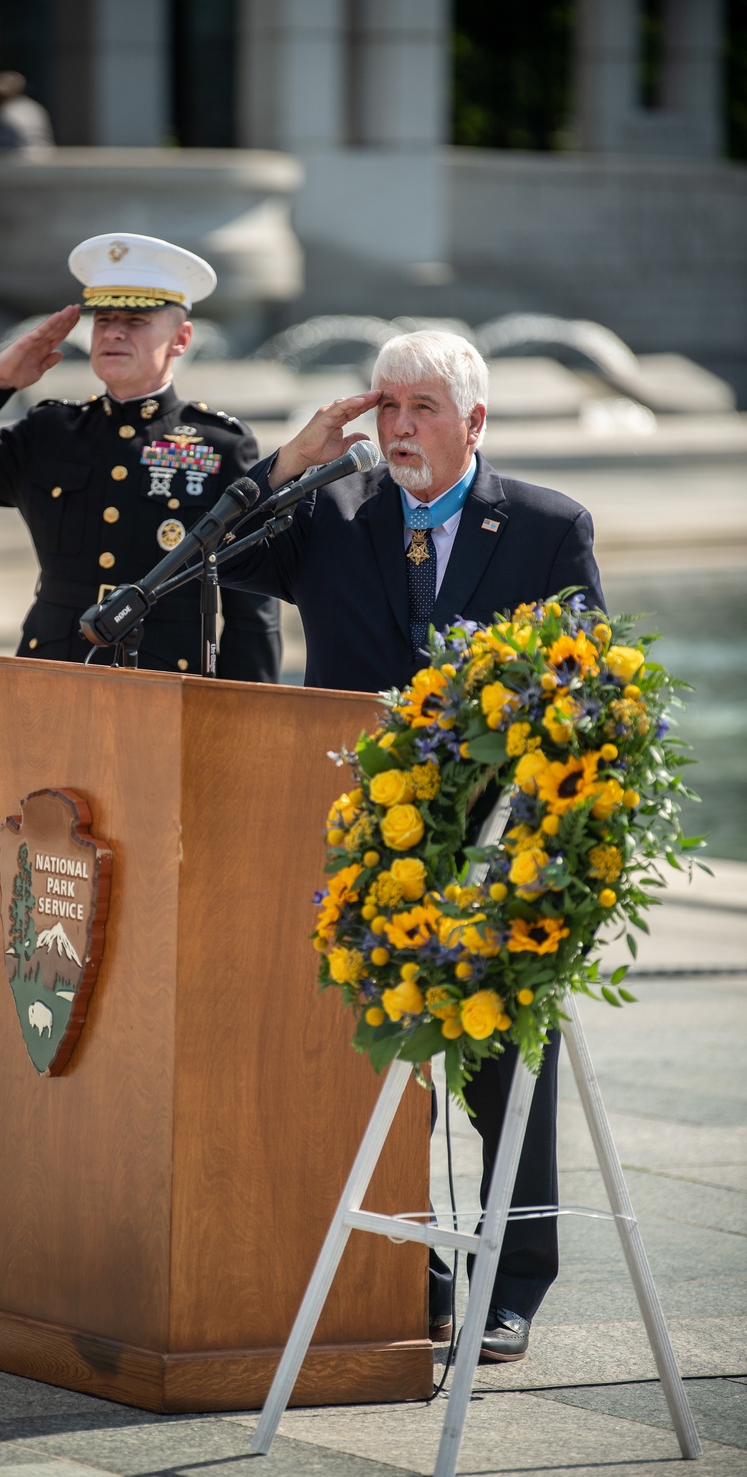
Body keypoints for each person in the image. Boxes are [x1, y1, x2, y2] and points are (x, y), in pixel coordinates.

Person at [222, 328, 605, 1362]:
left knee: (501, 1069)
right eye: (384, 405)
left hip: (493, 856)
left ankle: (512, 1280)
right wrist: (292, 461)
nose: (395, 426)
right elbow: (218, 559)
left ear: (474, 422)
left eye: (420, 408)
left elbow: (585, 694)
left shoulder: (543, 527)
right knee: (358, 1066)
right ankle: (417, 1273)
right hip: (358, 846)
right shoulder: (332, 514)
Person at [0, 234, 282, 681]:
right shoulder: (51, 431)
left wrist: (246, 719)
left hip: (166, 680)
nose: (114, 331)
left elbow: (253, 610)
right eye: (104, 318)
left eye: (136, 320)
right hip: (52, 671)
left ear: (181, 338)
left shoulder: (221, 445)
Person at [0, 71, 54, 151]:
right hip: (45, 158)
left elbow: (0, 148)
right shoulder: (34, 106)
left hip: (18, 160)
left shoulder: (5, 112)